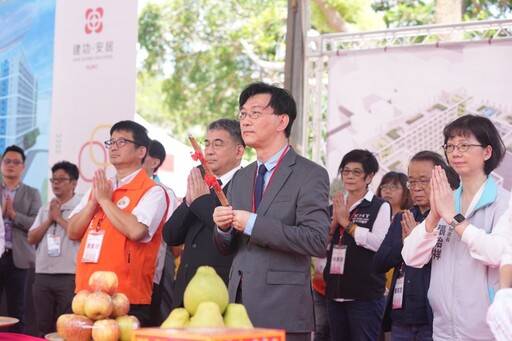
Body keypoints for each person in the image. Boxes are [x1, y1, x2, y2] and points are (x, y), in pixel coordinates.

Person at [212, 82, 330, 341]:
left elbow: (316, 240)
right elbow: (228, 247)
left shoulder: (310, 174)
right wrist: (223, 229)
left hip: (283, 308)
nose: (245, 121)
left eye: (255, 113)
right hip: (237, 306)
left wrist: (253, 223)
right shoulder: (242, 177)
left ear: (281, 121)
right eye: (242, 114)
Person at [402, 114, 511, 340]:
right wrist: (434, 215)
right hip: (442, 329)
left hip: (486, 332)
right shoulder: (445, 201)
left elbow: (497, 253)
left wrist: (452, 216)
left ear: (487, 152)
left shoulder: (505, 203)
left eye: (464, 145)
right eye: (450, 146)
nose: (455, 152)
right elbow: (411, 257)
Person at [67, 120, 169, 327]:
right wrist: (95, 201)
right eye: (111, 142)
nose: (113, 147)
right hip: (87, 294)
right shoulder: (101, 187)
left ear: (141, 151)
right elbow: (72, 231)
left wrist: (105, 201)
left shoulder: (152, 191)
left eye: (121, 142)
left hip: (126, 296)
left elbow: (136, 230)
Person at [374, 151, 460, 341]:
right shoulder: (403, 218)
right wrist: (407, 242)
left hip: (435, 319)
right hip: (401, 317)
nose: (417, 188)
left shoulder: (450, 219)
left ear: (440, 180)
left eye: (424, 180)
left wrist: (419, 242)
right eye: (412, 182)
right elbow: (379, 263)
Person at [164, 118, 245, 310]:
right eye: (206, 144)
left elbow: (232, 235)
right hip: (186, 290)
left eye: (218, 144)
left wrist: (200, 202)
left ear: (239, 151)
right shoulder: (202, 183)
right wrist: (190, 201)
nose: (208, 151)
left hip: (220, 291)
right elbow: (171, 235)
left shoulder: (246, 184)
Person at [323, 149, 391, 341]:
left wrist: (347, 224)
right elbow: (320, 248)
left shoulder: (379, 206)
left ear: (369, 177)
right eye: (346, 171)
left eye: (356, 172)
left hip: (365, 294)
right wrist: (334, 224)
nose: (350, 176)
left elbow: (379, 244)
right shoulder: (335, 205)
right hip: (335, 292)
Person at [27, 161, 81, 337]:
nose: (55, 183)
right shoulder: (46, 209)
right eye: (53, 179)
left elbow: (77, 234)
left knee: (66, 327)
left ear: (73, 183)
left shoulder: (81, 207)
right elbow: (31, 238)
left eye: (61, 179)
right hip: (43, 275)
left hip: (68, 275)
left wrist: (58, 218)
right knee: (43, 325)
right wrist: (49, 219)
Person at [0, 145, 42, 333]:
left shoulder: (32, 193)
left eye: (16, 162)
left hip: (19, 260)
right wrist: (1, 215)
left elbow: (36, 223)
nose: (11, 165)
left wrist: (14, 215)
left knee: (18, 310)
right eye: (7, 161)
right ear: (1, 165)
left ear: (23, 167)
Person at [142, 139, 179, 326]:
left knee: (155, 319)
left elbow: (173, 237)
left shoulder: (165, 193)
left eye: (143, 153)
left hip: (156, 267)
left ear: (155, 162)